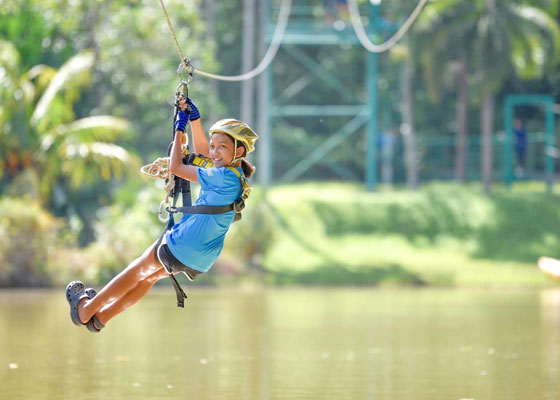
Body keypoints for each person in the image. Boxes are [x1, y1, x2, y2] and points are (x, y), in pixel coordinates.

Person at [65, 97, 258, 333]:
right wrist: (194, 119)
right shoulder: (235, 176)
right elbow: (203, 155)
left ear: (239, 150)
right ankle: (100, 319)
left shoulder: (220, 176)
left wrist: (179, 129)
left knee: (137, 271)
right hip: (201, 258)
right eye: (213, 145)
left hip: (184, 243)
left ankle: (86, 310)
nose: (214, 152)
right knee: (148, 278)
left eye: (222, 147)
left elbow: (177, 167)